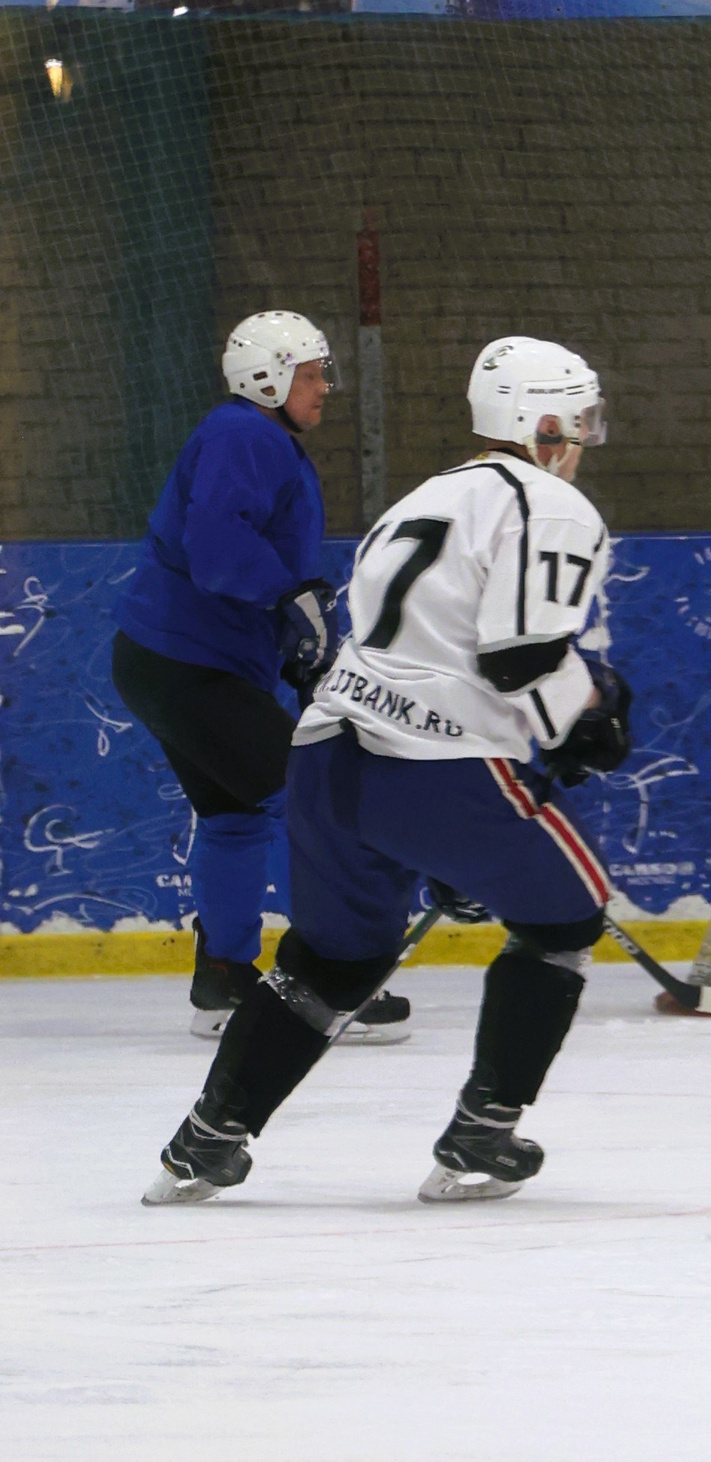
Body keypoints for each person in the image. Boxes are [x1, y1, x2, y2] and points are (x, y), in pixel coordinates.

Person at [143, 335, 633, 1207]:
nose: (585, 438)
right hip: (435, 765)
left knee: (332, 963)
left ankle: (206, 1140)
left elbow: (407, 643)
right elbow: (520, 658)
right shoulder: (551, 504)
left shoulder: (423, 497)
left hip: (330, 756)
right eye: (581, 419)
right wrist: (584, 711)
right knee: (566, 917)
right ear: (545, 420)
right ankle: (483, 1133)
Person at [110, 310, 408, 1044]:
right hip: (187, 668)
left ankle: (223, 977)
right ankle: (328, 984)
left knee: (236, 816)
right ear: (267, 377)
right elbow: (217, 550)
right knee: (314, 801)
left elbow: (237, 559)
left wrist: (295, 643)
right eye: (311, 374)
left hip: (170, 662)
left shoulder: (256, 438)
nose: (324, 388)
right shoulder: (245, 434)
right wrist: (289, 596)